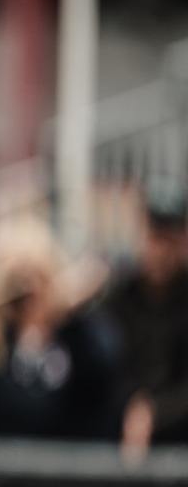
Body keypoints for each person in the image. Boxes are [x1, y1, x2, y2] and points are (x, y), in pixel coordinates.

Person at [0, 213, 117, 440]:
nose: (32, 293)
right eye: (20, 284)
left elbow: (103, 380)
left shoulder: (80, 337)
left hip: (72, 464)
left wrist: (68, 313)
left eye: (39, 279)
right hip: (5, 466)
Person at [102, 174, 188, 451]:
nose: (161, 250)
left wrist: (154, 412)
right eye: (155, 237)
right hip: (118, 437)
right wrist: (134, 407)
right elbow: (105, 371)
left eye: (169, 239)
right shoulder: (117, 297)